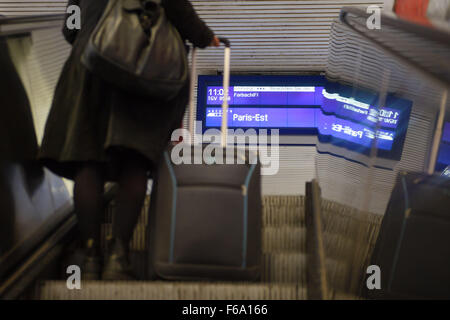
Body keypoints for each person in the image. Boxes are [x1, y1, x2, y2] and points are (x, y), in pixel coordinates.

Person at [38, 0, 219, 280]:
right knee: (135, 161)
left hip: (92, 64)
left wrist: (94, 33)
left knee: (89, 160)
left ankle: (89, 257)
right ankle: (118, 258)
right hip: (143, 72)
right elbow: (177, 7)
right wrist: (205, 37)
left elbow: (70, 26)